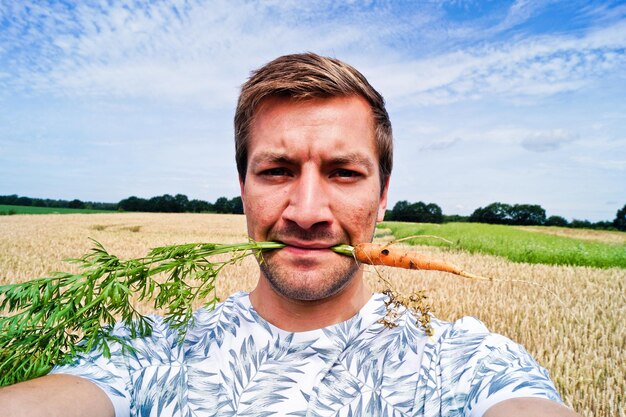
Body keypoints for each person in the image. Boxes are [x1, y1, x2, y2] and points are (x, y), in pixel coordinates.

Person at [1, 53, 579, 417]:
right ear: (243, 188)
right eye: (276, 170)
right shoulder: (152, 352)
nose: (306, 211)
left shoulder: (466, 363)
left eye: (343, 172)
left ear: (382, 196)